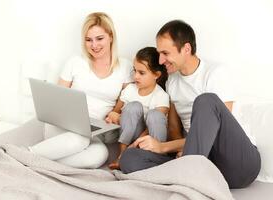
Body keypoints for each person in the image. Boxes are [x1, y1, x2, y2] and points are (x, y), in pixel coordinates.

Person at [119, 20, 261, 189]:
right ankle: (188, 174)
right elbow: (174, 130)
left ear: (186, 49)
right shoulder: (172, 81)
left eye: (165, 53)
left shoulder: (215, 73)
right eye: (159, 53)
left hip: (237, 162)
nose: (161, 60)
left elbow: (216, 134)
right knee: (130, 158)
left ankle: (187, 176)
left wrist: (163, 147)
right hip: (203, 163)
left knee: (206, 100)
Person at [31, 12, 133, 169]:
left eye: (99, 38)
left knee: (100, 155)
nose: (94, 45)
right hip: (63, 125)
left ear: (111, 37)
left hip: (93, 131)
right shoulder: (75, 62)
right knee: (80, 139)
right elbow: (56, 99)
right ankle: (27, 153)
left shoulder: (125, 67)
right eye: (88, 40)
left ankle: (41, 161)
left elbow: (125, 102)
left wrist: (115, 115)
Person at [106, 47, 169, 170]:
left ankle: (156, 157)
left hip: (151, 141)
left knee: (155, 115)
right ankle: (122, 155)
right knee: (133, 106)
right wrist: (114, 115)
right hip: (130, 140)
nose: (135, 76)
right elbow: (115, 111)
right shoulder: (129, 90)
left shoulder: (162, 96)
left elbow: (151, 129)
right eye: (135, 71)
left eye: (141, 73)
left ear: (156, 75)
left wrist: (135, 145)